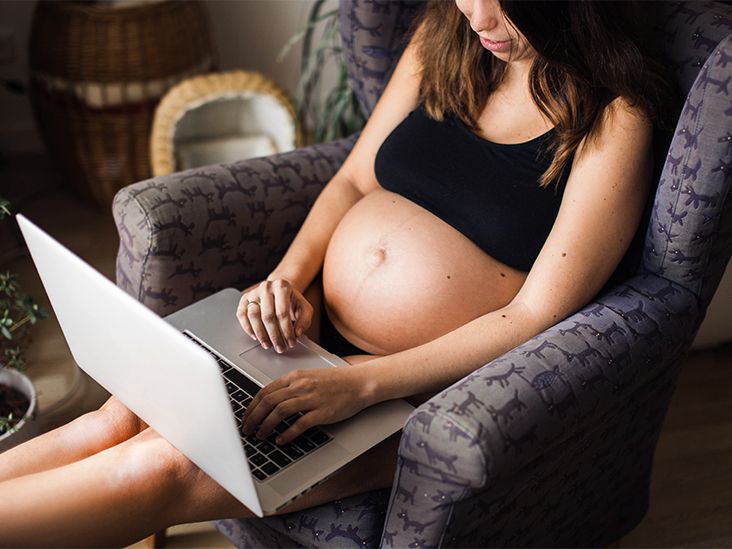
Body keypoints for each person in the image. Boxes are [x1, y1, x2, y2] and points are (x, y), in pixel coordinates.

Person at [0, 0, 677, 545]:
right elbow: (354, 178)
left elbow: (537, 314)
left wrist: (362, 384)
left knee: (160, 467)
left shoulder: (614, 119)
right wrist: (292, 282)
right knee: (116, 418)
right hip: (310, 346)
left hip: (414, 397)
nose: (479, 16)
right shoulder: (447, 37)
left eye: (503, 2)